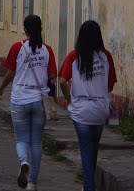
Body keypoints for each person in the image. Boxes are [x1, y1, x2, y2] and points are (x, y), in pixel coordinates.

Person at [0, 14, 57, 191]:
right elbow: (53, 76)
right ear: (41, 29)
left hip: (20, 99)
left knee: (21, 138)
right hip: (39, 101)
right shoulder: (47, 50)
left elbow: (10, 73)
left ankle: (24, 162)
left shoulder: (18, 47)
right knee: (36, 142)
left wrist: (1, 88)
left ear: (25, 30)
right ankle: (33, 183)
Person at [58, 20, 116, 191]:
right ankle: (88, 185)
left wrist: (69, 99)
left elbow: (62, 81)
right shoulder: (106, 56)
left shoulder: (74, 56)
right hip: (100, 110)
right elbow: (110, 86)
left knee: (86, 149)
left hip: (80, 111)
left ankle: (89, 187)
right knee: (93, 147)